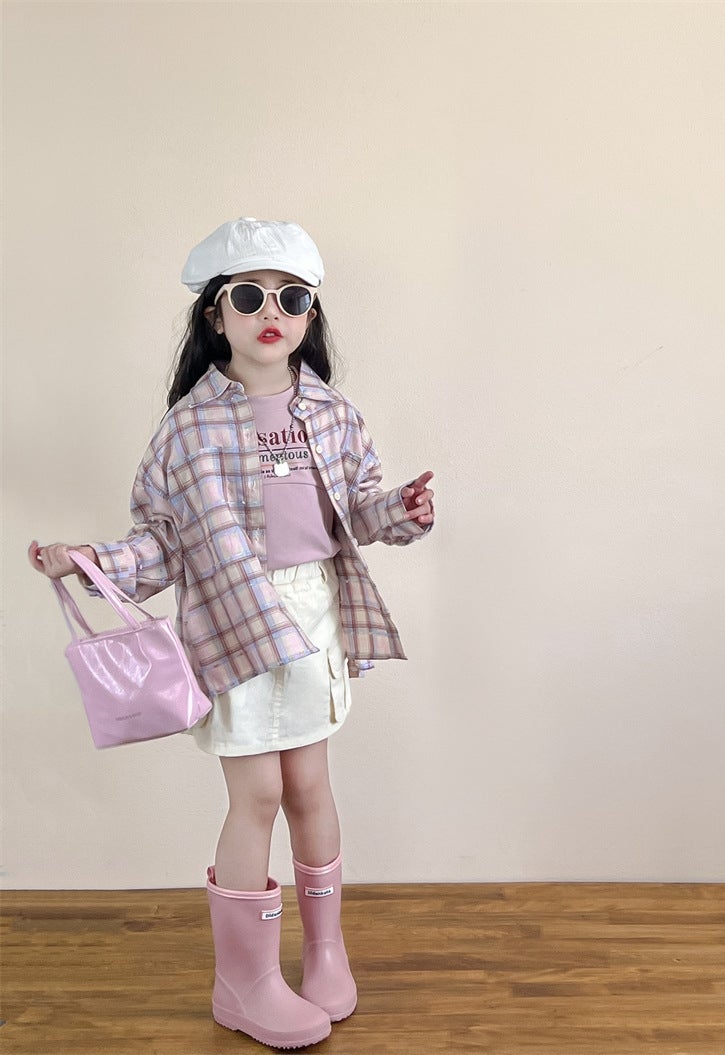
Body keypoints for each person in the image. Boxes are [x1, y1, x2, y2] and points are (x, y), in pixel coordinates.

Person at [28, 217, 434, 1050]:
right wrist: (89, 560)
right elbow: (164, 542)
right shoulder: (187, 428)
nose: (270, 312)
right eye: (248, 296)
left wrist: (402, 508)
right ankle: (243, 982)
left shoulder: (333, 412)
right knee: (257, 794)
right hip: (233, 615)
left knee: (310, 787)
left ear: (311, 314)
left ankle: (324, 953)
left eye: (292, 298)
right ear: (216, 315)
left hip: (315, 613)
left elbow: (357, 511)